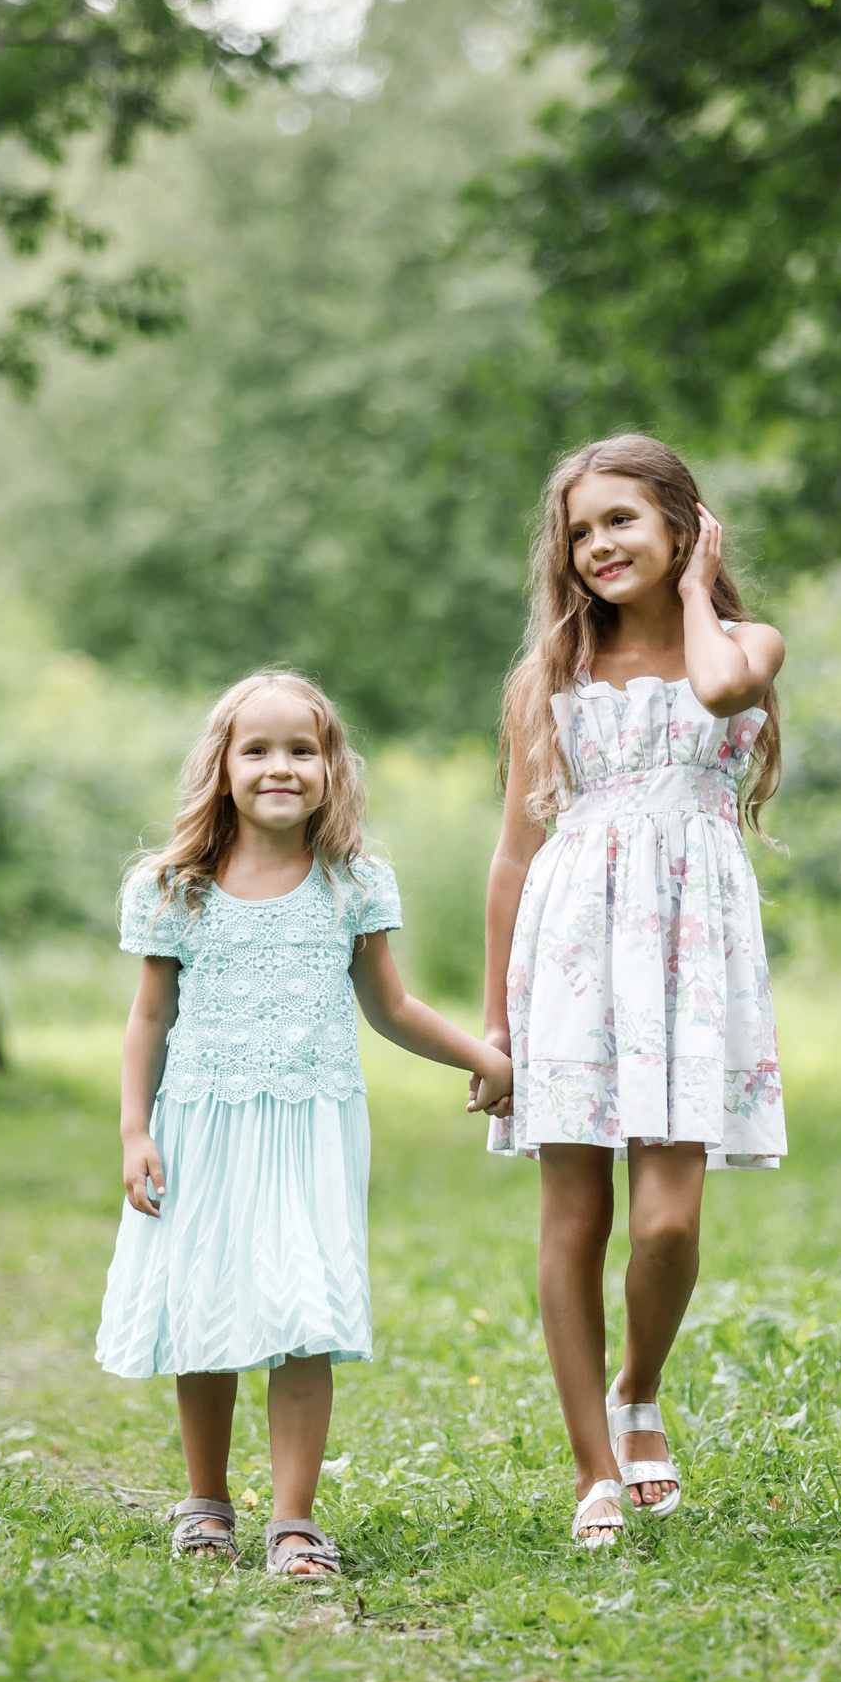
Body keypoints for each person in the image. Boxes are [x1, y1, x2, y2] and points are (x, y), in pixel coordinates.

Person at [97, 669, 513, 1578]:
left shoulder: (352, 885)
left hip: (313, 1128)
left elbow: (392, 1007)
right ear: (223, 768)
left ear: (331, 768)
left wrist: (485, 1058)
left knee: (302, 1316)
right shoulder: (177, 888)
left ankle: (293, 1521)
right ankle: (206, 1502)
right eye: (257, 749)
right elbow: (149, 1019)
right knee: (203, 1308)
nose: (279, 766)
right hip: (202, 1127)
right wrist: (136, 1131)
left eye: (302, 749)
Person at [477, 435, 787, 1548]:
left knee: (665, 1221)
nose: (598, 545)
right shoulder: (550, 679)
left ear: (678, 524)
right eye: (579, 531)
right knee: (574, 1218)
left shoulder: (745, 640)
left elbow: (713, 685)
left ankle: (638, 1389)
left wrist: (699, 588)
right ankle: (590, 1469)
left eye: (620, 520)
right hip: (568, 956)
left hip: (689, 960)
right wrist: (493, 1028)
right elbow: (513, 857)